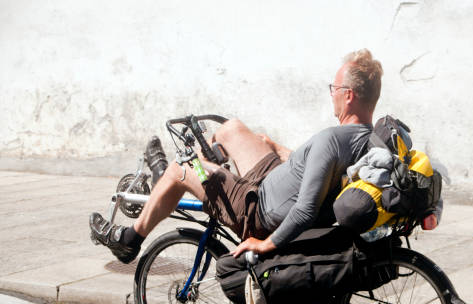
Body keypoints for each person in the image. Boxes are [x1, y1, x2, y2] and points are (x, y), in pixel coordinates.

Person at [90, 49, 438, 263]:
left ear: (348, 96)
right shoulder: (367, 140)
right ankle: (176, 185)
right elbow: (319, 170)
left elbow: (303, 210)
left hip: (256, 208)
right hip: (270, 180)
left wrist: (266, 243)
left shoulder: (332, 139)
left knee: (182, 167)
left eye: (333, 89)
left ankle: (131, 237)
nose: (330, 95)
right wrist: (279, 149)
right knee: (231, 129)